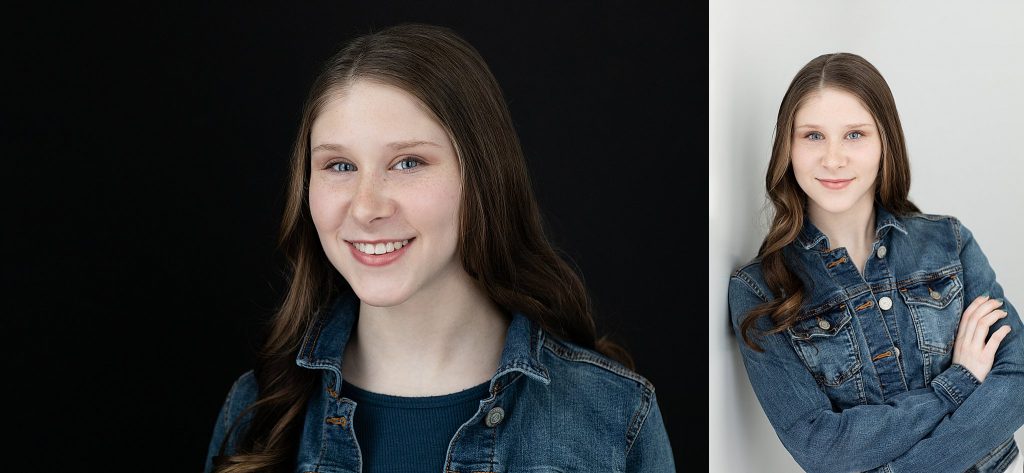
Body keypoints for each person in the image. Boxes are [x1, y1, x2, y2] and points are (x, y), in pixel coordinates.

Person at [203, 23, 675, 473]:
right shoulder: (255, 411)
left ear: (483, 178)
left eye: (408, 162)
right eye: (340, 166)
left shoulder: (613, 416)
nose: (366, 207)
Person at [728, 52, 1024, 472]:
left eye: (854, 135)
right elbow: (820, 447)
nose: (833, 158)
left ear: (885, 142)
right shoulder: (759, 290)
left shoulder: (949, 243)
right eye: (813, 135)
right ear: (787, 147)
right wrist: (959, 382)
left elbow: (1016, 378)